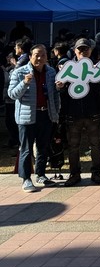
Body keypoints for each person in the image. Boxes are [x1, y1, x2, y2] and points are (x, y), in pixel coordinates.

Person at [8, 43, 61, 192]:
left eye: (43, 55)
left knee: (43, 147)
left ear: (47, 57)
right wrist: (24, 83)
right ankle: (26, 179)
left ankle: (41, 175)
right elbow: (12, 94)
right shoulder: (19, 72)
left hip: (46, 114)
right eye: (37, 55)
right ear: (30, 56)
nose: (40, 58)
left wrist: (56, 111)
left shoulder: (51, 72)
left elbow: (54, 95)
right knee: (26, 149)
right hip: (27, 116)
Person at [57, 38, 100, 186]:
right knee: (73, 146)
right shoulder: (67, 68)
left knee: (96, 144)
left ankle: (96, 172)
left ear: (91, 50)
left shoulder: (98, 68)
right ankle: (74, 173)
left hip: (93, 112)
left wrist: (96, 79)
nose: (83, 52)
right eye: (80, 49)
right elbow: (60, 90)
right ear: (75, 51)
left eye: (86, 49)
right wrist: (61, 86)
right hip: (73, 113)